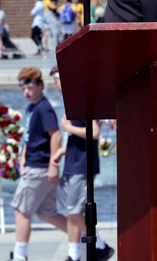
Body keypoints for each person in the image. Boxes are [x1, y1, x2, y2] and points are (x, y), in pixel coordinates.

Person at [49, 67, 115, 261]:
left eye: (59, 78)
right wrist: (62, 151)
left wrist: (67, 127)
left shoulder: (83, 100)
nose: (57, 83)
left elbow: (94, 133)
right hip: (71, 162)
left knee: (74, 211)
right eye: (55, 80)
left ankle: (101, 246)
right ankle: (73, 254)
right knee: (70, 212)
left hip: (82, 165)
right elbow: (77, 133)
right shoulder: (69, 102)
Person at [11, 67, 67, 261]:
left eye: (31, 87)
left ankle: (20, 255)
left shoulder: (44, 108)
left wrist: (53, 164)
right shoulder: (33, 107)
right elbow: (29, 136)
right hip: (35, 165)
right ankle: (89, 241)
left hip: (39, 167)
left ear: (41, 86)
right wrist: (22, 156)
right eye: (23, 88)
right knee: (46, 213)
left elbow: (56, 135)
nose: (27, 92)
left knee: (21, 211)